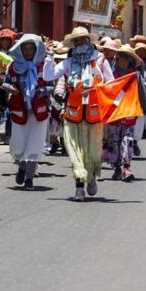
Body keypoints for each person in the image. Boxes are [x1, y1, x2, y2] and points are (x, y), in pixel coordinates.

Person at [43, 27, 113, 202]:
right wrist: (49, 56)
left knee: (93, 152)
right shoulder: (67, 63)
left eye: (83, 39)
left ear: (88, 41)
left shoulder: (100, 60)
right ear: (73, 44)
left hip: (94, 114)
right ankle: (79, 187)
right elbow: (48, 75)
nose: (80, 42)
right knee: (75, 152)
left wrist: (99, 88)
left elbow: (111, 83)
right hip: (73, 115)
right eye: (77, 40)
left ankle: (92, 177)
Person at [3, 34, 51, 190]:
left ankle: (29, 178)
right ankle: (21, 165)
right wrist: (10, 88)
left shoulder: (44, 66)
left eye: (31, 48)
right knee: (19, 143)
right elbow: (5, 83)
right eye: (25, 48)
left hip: (39, 110)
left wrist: (43, 91)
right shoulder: (13, 66)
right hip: (19, 109)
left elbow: (52, 85)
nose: (28, 51)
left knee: (35, 144)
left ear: (37, 49)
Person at [102, 46, 146, 182]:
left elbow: (142, 93)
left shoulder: (135, 76)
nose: (119, 59)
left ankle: (127, 168)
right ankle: (117, 168)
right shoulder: (111, 75)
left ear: (128, 60)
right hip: (114, 114)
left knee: (127, 140)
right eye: (118, 57)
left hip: (129, 112)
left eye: (122, 57)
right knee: (114, 141)